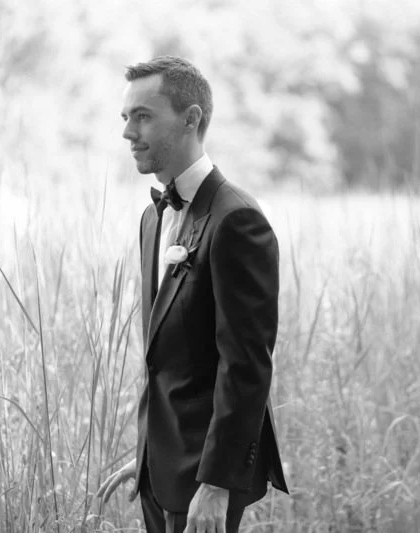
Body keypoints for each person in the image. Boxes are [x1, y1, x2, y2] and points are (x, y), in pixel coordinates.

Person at [96, 56, 288, 533]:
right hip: (159, 471)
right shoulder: (152, 217)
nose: (128, 132)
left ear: (191, 119)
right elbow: (170, 359)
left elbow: (246, 365)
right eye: (126, 117)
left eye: (143, 116)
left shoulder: (237, 219)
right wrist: (147, 454)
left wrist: (217, 483)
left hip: (205, 481)